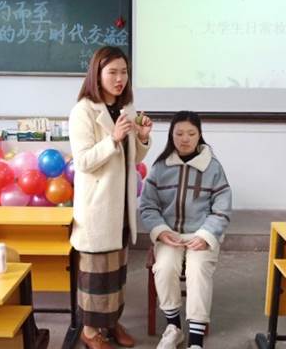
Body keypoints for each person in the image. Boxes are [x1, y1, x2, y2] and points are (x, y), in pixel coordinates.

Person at [69, 46, 152, 349]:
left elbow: (131, 159)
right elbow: (83, 162)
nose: (120, 79)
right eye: (112, 72)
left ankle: (112, 322)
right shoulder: (83, 111)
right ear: (97, 74)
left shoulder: (126, 108)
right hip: (98, 207)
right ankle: (90, 331)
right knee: (96, 275)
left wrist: (142, 138)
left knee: (117, 272)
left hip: (121, 206)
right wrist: (113, 138)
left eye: (124, 72)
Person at [139, 111, 232, 349]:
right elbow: (148, 206)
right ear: (171, 135)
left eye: (191, 133)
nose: (185, 139)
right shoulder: (160, 167)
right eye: (179, 133)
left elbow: (222, 208)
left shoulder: (213, 167)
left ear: (199, 135)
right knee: (164, 267)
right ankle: (174, 329)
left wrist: (206, 236)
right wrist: (161, 231)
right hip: (169, 236)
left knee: (198, 270)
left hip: (200, 235)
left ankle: (196, 341)